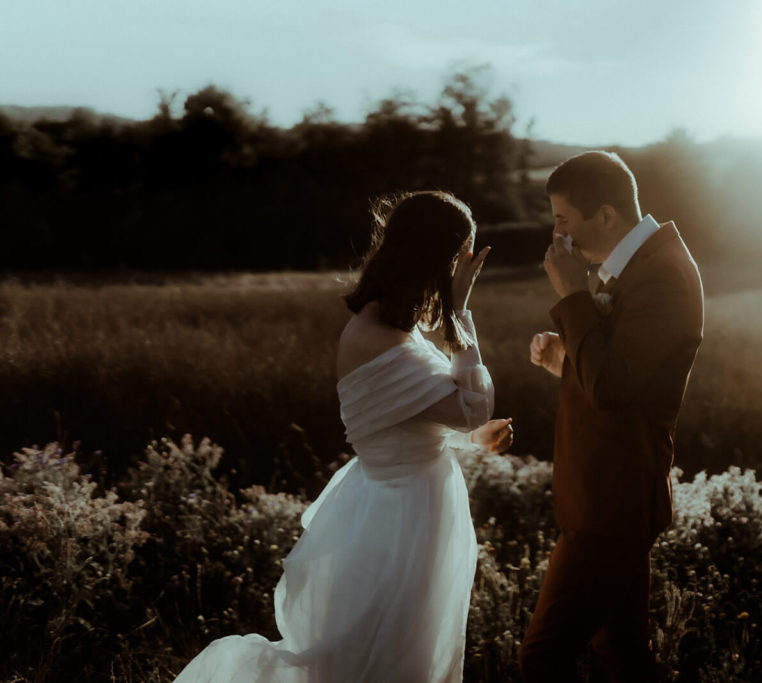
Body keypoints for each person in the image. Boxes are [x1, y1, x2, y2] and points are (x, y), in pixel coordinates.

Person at [174, 190, 514, 683]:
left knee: (399, 647)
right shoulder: (385, 340)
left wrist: (474, 441)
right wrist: (459, 312)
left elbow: (410, 423)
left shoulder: (390, 327)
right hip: (404, 517)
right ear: (443, 259)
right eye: (462, 259)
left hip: (391, 503)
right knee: (395, 651)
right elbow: (472, 407)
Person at [520, 151, 704, 681]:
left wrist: (574, 295)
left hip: (613, 500)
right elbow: (618, 373)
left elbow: (614, 387)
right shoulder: (634, 266)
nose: (558, 234)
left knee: (542, 658)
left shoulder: (661, 274)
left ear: (605, 216)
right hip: (602, 496)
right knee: (623, 657)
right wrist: (566, 357)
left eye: (562, 219)